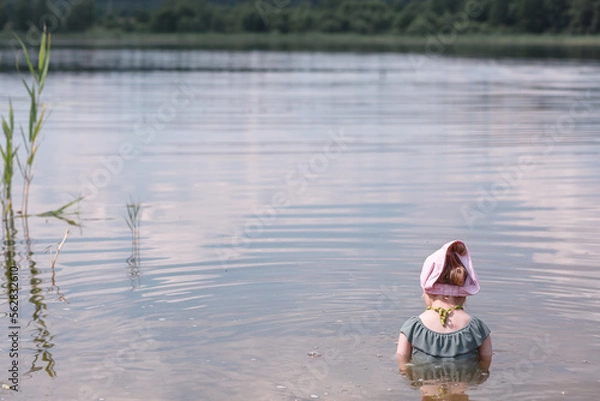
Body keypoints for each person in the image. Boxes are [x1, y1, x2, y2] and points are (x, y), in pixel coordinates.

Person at [396, 240, 492, 373]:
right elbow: (485, 363)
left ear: (426, 290)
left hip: (426, 387)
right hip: (462, 388)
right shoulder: (478, 328)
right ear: (464, 292)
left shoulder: (412, 327)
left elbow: (402, 362)